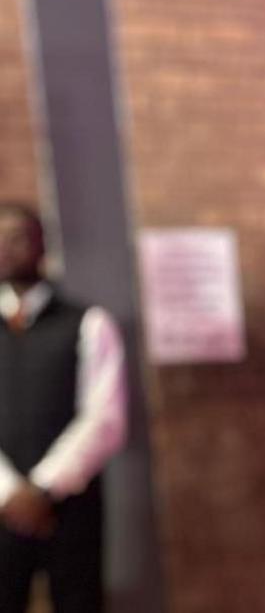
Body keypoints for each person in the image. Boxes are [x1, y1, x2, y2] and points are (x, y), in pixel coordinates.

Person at [0, 202, 128, 612]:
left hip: (70, 505)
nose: (4, 248)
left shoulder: (88, 322)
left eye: (16, 238)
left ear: (42, 246)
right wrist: (9, 492)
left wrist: (42, 488)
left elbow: (105, 418)